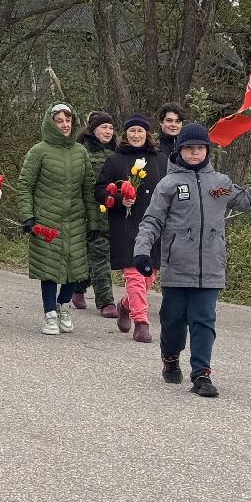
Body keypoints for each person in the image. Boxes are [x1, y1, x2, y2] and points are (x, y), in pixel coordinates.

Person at [133, 122, 251, 397]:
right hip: (177, 267)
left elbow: (248, 202)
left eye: (200, 148)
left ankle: (201, 373)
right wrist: (142, 250)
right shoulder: (169, 185)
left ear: (207, 151)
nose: (195, 153)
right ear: (180, 151)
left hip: (210, 267)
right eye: (189, 148)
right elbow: (151, 221)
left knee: (204, 321)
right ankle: (170, 357)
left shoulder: (219, 186)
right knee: (173, 320)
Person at [15, 102, 91, 335]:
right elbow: (25, 185)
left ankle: (64, 305)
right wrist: (27, 216)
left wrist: (95, 222)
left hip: (75, 220)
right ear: (51, 123)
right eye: (59, 120)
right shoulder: (39, 151)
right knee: (48, 268)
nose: (65, 125)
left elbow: (88, 188)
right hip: (46, 218)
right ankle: (49, 313)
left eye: (67, 120)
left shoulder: (81, 152)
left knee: (74, 267)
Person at [95, 116, 164, 342]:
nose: (136, 135)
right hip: (126, 226)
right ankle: (141, 323)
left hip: (154, 227)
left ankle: (125, 305)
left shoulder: (160, 160)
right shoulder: (115, 160)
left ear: (147, 134)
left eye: (140, 131)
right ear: (125, 134)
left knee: (147, 277)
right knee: (134, 275)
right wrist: (117, 198)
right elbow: (100, 190)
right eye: (132, 131)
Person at [73, 111, 117, 317]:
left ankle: (78, 288)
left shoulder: (118, 152)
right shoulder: (82, 152)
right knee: (99, 256)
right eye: (103, 127)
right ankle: (106, 302)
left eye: (110, 127)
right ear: (92, 130)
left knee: (99, 256)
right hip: (89, 211)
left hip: (114, 211)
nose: (108, 131)